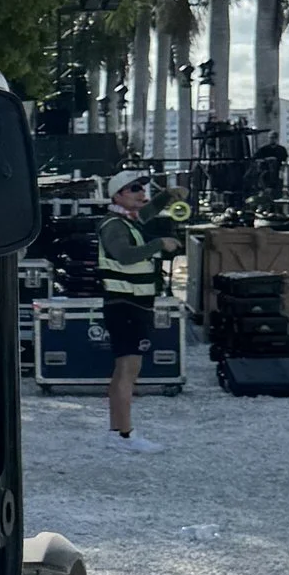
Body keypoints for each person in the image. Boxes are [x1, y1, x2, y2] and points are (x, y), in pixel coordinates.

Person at [96, 165, 184, 452]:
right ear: (117, 196)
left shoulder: (128, 221)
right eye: (134, 189)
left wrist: (168, 196)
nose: (141, 193)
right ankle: (124, 435)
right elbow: (124, 256)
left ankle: (117, 431)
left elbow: (147, 212)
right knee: (128, 368)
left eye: (142, 188)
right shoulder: (114, 226)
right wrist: (160, 243)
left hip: (132, 304)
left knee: (125, 368)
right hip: (125, 305)